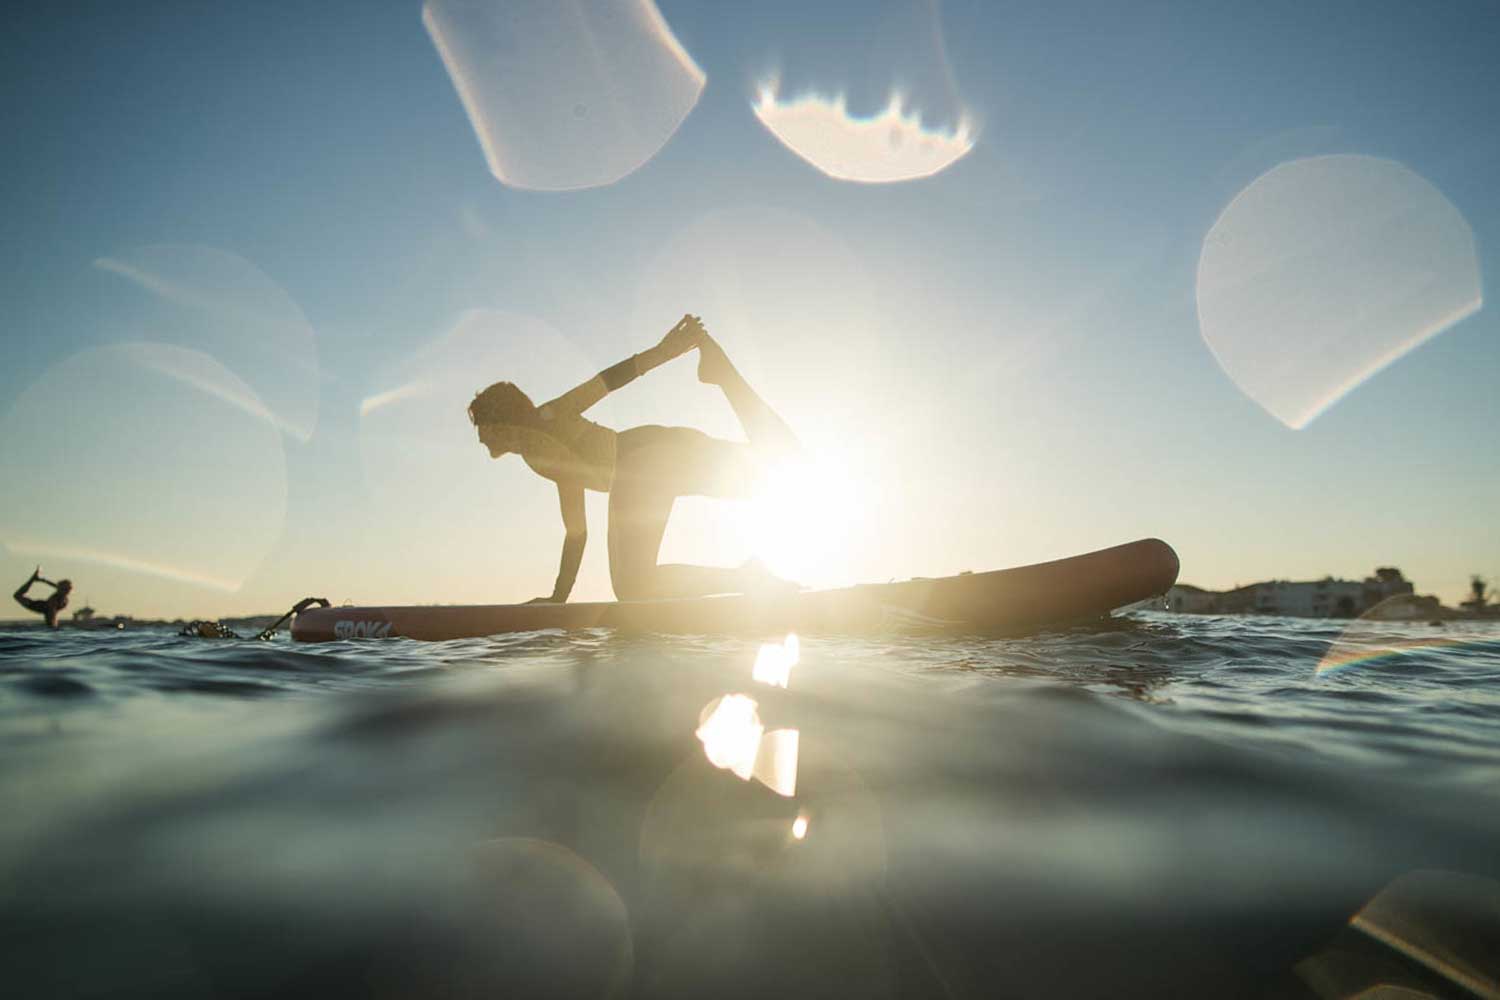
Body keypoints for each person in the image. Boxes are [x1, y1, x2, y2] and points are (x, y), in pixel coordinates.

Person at [468, 314, 800, 603]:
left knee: (633, 587)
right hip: (664, 450)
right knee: (781, 467)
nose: (481, 437)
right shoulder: (537, 454)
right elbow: (577, 532)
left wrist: (662, 352)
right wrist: (559, 596)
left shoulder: (548, 418)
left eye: (483, 427)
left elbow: (605, 382)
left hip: (640, 464)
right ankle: (723, 372)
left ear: (501, 422)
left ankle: (747, 579)